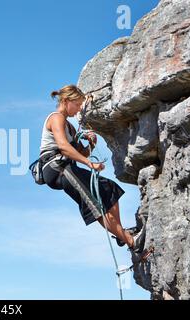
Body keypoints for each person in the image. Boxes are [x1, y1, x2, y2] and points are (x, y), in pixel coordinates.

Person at [40, 84, 145, 253]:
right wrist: (90, 164)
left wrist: (91, 144)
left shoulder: (70, 126)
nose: (79, 109)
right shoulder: (56, 118)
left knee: (109, 188)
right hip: (57, 168)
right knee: (96, 205)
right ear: (67, 101)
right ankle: (132, 242)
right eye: (78, 104)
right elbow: (64, 146)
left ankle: (121, 233)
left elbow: (80, 153)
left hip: (66, 166)